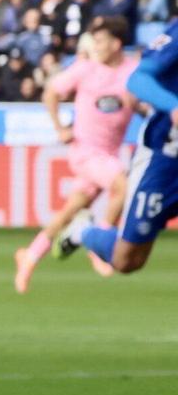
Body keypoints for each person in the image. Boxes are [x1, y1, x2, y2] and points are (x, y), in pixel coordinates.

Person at [13, 18, 136, 292]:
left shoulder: (132, 71)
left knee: (69, 212)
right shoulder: (84, 69)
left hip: (107, 153)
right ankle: (98, 243)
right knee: (123, 186)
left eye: (101, 41)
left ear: (116, 44)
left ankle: (29, 256)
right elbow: (50, 93)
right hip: (85, 151)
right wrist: (59, 127)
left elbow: (140, 101)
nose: (96, 47)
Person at [61, 26, 178, 275]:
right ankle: (84, 230)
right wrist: (174, 106)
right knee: (127, 260)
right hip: (164, 161)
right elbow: (138, 79)